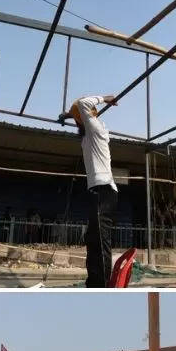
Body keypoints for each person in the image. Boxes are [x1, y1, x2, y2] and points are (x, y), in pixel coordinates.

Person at [59, 95, 118, 288]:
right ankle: (93, 281)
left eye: (79, 118)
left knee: (100, 237)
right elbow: (79, 111)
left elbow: (83, 104)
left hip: (104, 190)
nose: (79, 121)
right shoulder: (87, 133)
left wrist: (104, 98)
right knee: (92, 238)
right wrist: (67, 115)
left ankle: (101, 283)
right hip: (96, 191)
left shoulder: (96, 128)